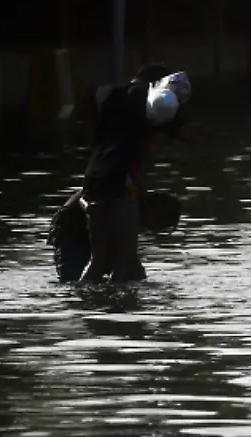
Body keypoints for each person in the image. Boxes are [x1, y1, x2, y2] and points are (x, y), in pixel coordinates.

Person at [79, 65, 191, 283]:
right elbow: (182, 131)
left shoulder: (106, 95)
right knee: (126, 261)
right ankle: (121, 311)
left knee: (97, 261)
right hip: (122, 182)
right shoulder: (146, 101)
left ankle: (83, 303)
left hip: (94, 179)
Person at [50, 189, 182, 283]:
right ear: (153, 210)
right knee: (71, 283)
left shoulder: (133, 210)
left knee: (129, 275)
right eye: (159, 224)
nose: (154, 230)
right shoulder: (128, 201)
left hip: (96, 236)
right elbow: (86, 196)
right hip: (71, 232)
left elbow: (127, 255)